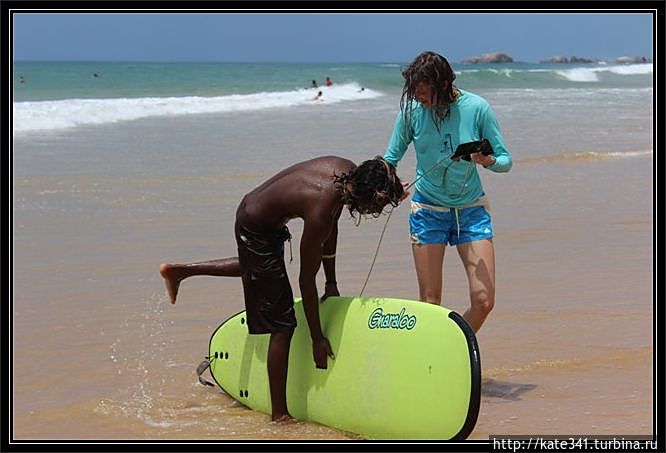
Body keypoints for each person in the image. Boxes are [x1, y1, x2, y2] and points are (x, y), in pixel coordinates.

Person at [160, 156, 404, 422]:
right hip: (253, 223)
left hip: (262, 212)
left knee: (261, 268)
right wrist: (317, 338)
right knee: (283, 323)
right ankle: (280, 415)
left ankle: (180, 272)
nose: (374, 213)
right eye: (375, 206)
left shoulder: (347, 172)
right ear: (364, 194)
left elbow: (331, 229)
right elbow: (305, 279)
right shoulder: (320, 211)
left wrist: (331, 283)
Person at [383, 50, 512, 333]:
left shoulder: (477, 108)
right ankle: (433, 360)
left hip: (471, 212)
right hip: (428, 212)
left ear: (442, 85)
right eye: (415, 94)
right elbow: (389, 160)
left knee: (484, 302)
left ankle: (451, 346)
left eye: (424, 94)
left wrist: (488, 161)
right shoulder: (412, 112)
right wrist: (391, 187)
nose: (419, 100)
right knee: (430, 303)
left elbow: (506, 161)